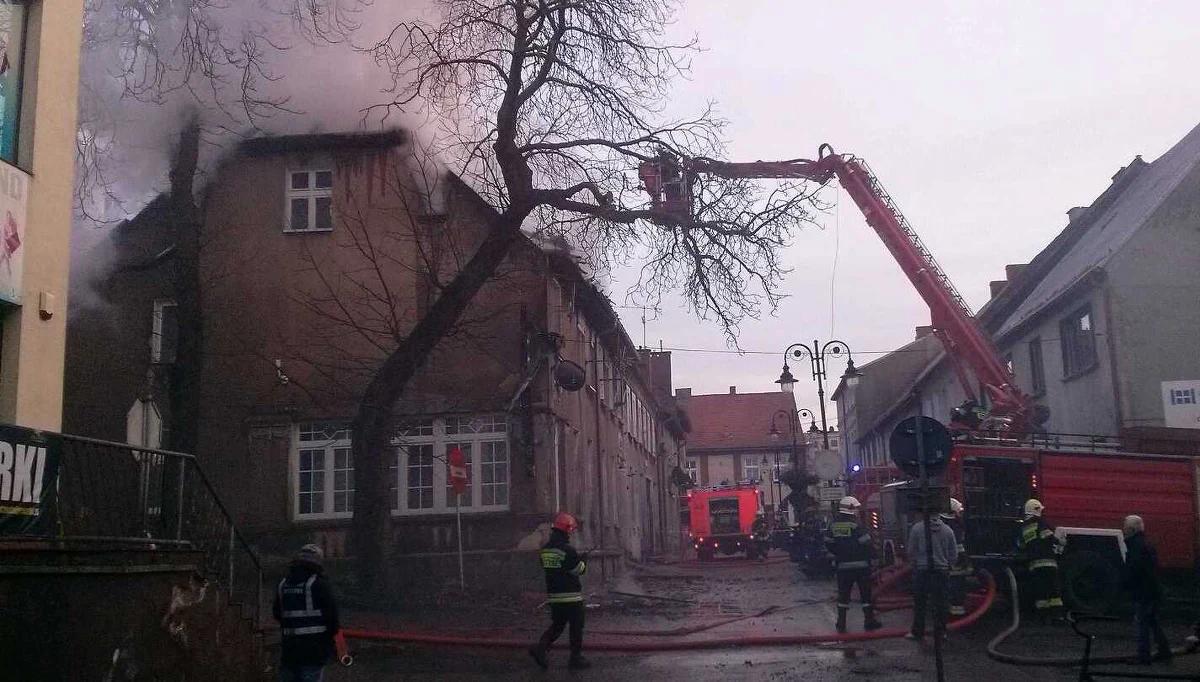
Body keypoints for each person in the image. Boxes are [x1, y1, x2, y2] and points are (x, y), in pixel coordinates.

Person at [529, 512, 592, 671]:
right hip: (571, 597)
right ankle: (575, 658)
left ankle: (541, 648)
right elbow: (578, 571)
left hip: (555, 596)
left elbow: (551, 568)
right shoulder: (568, 550)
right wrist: (583, 561)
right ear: (566, 531)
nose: (570, 535)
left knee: (557, 625)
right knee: (576, 627)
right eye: (570, 532)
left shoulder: (545, 550)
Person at [273, 543, 340, 682]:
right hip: (313, 652)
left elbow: (277, 613)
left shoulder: (283, 584)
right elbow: (332, 618)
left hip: (289, 652)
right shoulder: (319, 584)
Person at [824, 496, 883, 633]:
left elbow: (828, 542)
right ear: (850, 508)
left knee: (843, 596)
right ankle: (869, 621)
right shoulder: (856, 524)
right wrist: (874, 557)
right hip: (861, 566)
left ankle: (841, 623)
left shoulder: (834, 524)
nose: (857, 510)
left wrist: (838, 553)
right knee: (866, 595)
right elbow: (867, 542)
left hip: (842, 566)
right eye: (855, 508)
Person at [1121, 515, 1173, 664]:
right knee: (1152, 621)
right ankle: (1164, 650)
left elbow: (1135, 570)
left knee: (1141, 623)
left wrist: (1127, 584)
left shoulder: (1136, 546)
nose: (1123, 530)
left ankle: (1143, 655)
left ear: (1131, 529)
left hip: (1144, 592)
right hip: (1152, 590)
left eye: (1125, 527)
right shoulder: (1145, 544)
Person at [905, 513, 958, 641]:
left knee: (920, 602)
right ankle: (941, 632)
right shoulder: (948, 530)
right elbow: (953, 552)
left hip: (922, 571)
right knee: (941, 602)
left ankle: (918, 632)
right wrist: (949, 566)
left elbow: (911, 550)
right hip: (941, 571)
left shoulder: (917, 529)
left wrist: (914, 565)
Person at [1017, 498, 1064, 623]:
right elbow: (1047, 536)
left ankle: (1043, 616)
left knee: (1040, 591)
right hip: (1047, 562)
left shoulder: (1024, 526)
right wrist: (1060, 541)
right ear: (1036, 510)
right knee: (1053, 589)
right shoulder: (1040, 522)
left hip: (1034, 564)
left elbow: (1021, 545)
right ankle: (1057, 616)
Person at [943, 498, 971, 619]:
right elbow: (960, 547)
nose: (960, 514)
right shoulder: (954, 527)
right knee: (956, 587)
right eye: (958, 512)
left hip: (948, 566)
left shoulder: (943, 526)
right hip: (956, 564)